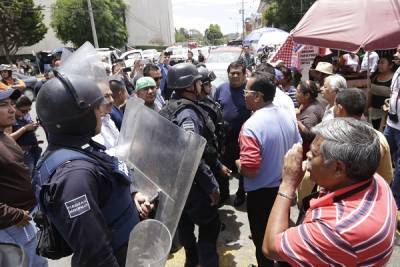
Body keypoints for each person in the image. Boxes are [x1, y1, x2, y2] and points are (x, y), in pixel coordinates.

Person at [34, 71, 152, 266]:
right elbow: (95, 253)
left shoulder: (78, 148)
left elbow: (107, 179)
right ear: (77, 117)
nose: (102, 112)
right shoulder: (74, 177)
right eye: (96, 108)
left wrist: (131, 193)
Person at [263, 118, 397, 267]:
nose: (307, 155)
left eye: (313, 153)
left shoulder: (335, 230)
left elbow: (270, 248)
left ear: (338, 168)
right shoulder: (376, 181)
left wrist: (287, 184)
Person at [237, 73, 301, 267]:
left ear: (257, 96)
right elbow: (298, 147)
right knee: (282, 238)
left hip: (260, 194)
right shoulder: (287, 115)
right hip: (284, 189)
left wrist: (238, 164)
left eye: (246, 92)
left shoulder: (251, 126)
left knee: (263, 242)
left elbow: (251, 170)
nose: (243, 95)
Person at [159, 63, 220, 267]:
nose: (202, 85)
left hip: (172, 182)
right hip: (191, 183)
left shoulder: (168, 106)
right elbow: (191, 154)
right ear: (191, 86)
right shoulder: (187, 114)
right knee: (210, 224)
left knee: (184, 222)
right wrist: (211, 186)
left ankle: (191, 260)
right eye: (199, 82)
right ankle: (206, 261)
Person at [0, 88, 48, 267]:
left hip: (24, 219)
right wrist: (14, 215)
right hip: (11, 226)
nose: (12, 110)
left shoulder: (5, 136)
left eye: (12, 104)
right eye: (4, 106)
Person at [334, 88, 393, 183]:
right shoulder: (379, 138)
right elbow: (386, 176)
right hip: (371, 193)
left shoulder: (331, 137)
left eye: (334, 106)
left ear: (340, 109)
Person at [214, 61, 251, 207]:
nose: (234, 76)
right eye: (232, 73)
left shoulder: (249, 89)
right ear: (228, 74)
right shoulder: (221, 89)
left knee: (242, 168)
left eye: (238, 73)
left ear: (244, 75)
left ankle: (241, 194)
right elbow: (215, 107)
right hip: (224, 138)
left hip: (244, 138)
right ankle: (224, 195)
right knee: (222, 167)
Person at [197, 66, 231, 204]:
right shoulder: (197, 106)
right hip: (209, 155)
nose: (210, 86)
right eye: (207, 84)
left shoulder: (208, 100)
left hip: (217, 148)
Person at [384, 44, 400, 227]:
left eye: (399, 52)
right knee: (384, 155)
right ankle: (382, 190)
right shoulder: (397, 72)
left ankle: (395, 201)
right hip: (391, 123)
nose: (395, 55)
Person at [10, 96, 41, 174]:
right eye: (23, 111)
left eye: (28, 110)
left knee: (36, 174)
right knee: (27, 176)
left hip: (34, 149)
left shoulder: (25, 116)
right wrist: (25, 128)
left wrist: (33, 128)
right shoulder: (9, 119)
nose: (26, 113)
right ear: (14, 107)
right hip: (23, 153)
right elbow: (8, 138)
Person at [296, 80, 324, 158]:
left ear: (307, 95)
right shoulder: (306, 104)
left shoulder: (312, 110)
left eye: (298, 92)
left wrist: (297, 120)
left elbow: (309, 134)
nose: (295, 94)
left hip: (308, 152)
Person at [368, 54, 396, 130]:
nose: (379, 65)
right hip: (374, 113)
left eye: (382, 63)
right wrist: (366, 107)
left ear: (391, 65)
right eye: (379, 63)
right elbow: (370, 93)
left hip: (388, 114)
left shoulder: (395, 80)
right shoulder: (375, 77)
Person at [92, 82, 120, 154]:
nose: (112, 100)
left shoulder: (108, 118)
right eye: (106, 96)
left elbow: (118, 142)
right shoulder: (92, 125)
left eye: (111, 95)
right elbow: (103, 155)